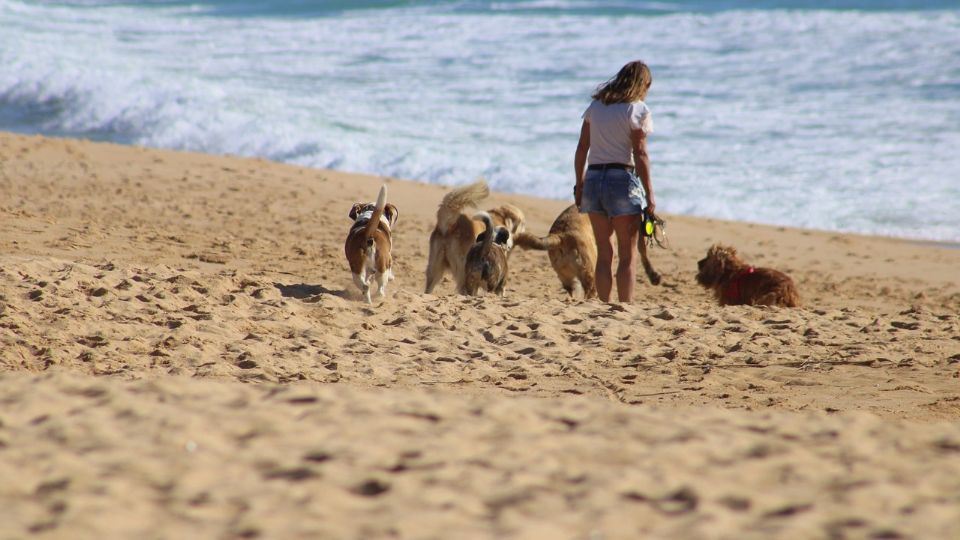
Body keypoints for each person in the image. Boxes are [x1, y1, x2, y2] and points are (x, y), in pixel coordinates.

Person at [574, 60, 656, 303]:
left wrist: (579, 185)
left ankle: (604, 305)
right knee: (627, 254)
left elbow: (581, 149)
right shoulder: (637, 109)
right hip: (621, 179)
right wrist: (650, 196)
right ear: (642, 84)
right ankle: (625, 308)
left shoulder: (596, 107)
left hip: (594, 179)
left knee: (604, 252)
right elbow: (640, 154)